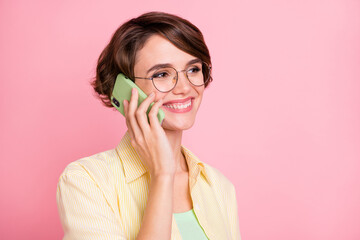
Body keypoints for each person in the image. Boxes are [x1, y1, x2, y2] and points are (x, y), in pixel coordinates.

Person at [56, 11, 241, 240]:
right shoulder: (86, 181)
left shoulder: (218, 186)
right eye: (162, 74)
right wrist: (162, 174)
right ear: (125, 88)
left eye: (193, 69)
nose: (184, 87)